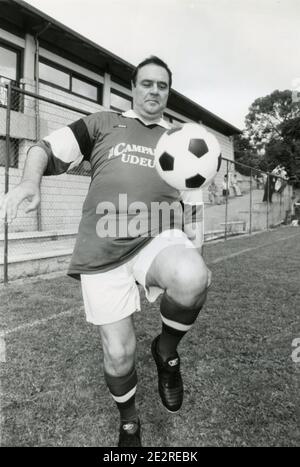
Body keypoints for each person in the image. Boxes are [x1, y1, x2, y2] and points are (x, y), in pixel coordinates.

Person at [0, 56, 211, 447]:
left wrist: (195, 252)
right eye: (146, 83)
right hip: (102, 245)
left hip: (157, 236)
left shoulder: (179, 141)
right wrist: (30, 183)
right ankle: (130, 423)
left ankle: (166, 353)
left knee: (192, 276)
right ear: (132, 87)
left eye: (162, 86)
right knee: (119, 354)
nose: (154, 91)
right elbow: (43, 147)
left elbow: (193, 206)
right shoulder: (102, 123)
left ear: (168, 92)